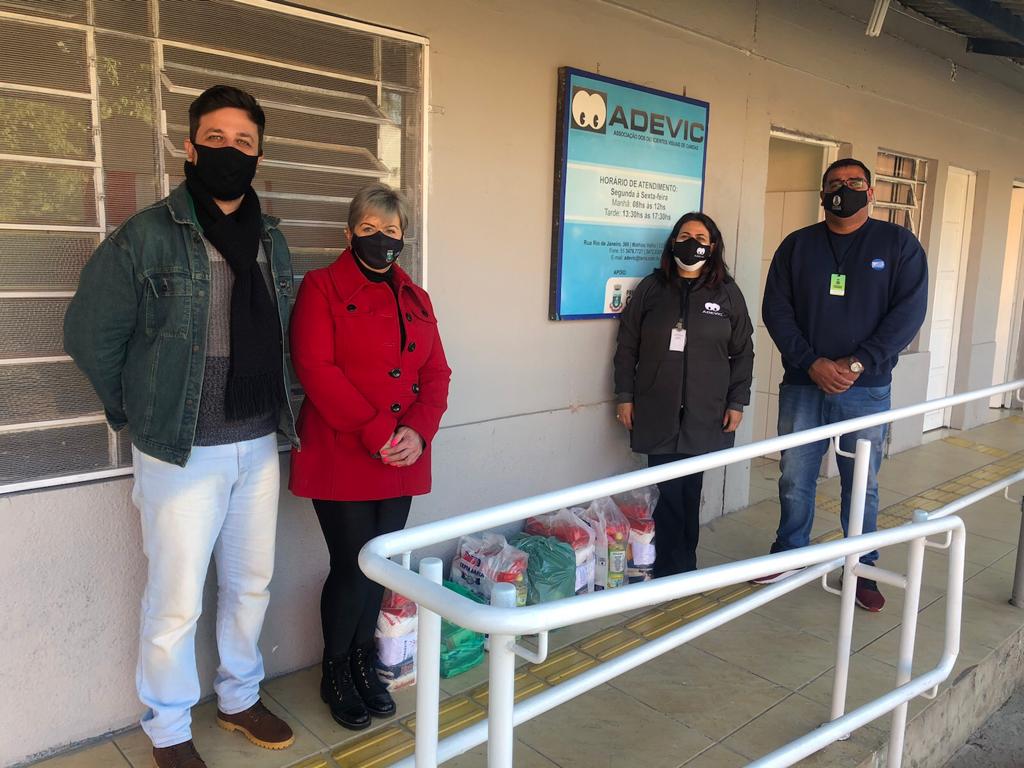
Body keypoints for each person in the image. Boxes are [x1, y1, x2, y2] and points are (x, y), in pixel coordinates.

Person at [64, 85, 297, 767]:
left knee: (251, 583)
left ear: (258, 156)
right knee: (175, 601)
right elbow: (90, 334)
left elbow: (283, 334)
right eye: (216, 140)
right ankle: (167, 729)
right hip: (182, 449)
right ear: (190, 147)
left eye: (244, 143)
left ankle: (238, 696)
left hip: (258, 441)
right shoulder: (146, 235)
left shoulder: (271, 238)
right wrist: (137, 408)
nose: (230, 153)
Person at [289, 182, 451, 730]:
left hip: (402, 456)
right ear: (349, 233)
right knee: (352, 566)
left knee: (380, 569)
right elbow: (316, 369)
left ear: (403, 238)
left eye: (392, 231)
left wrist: (419, 431)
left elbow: (436, 373)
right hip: (344, 452)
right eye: (369, 230)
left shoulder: (417, 297)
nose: (381, 239)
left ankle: (363, 664)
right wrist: (380, 429)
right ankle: (336, 670)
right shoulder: (321, 287)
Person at [753, 158, 928, 612]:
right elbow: (777, 310)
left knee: (862, 483)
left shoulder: (898, 244)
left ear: (871, 193)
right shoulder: (797, 246)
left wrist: (857, 363)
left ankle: (862, 566)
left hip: (866, 389)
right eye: (834, 183)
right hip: (803, 384)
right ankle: (789, 553)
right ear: (821, 194)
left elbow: (907, 314)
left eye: (854, 183)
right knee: (795, 475)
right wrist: (811, 362)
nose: (843, 189)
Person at [613, 212, 754, 576]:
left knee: (689, 492)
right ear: (673, 241)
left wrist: (737, 402)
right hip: (656, 408)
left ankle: (681, 566)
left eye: (700, 236)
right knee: (664, 492)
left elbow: (743, 351)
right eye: (685, 234)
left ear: (713, 245)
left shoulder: (726, 294)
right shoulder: (652, 288)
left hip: (705, 412)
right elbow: (627, 345)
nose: (692, 241)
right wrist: (625, 396)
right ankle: (667, 568)